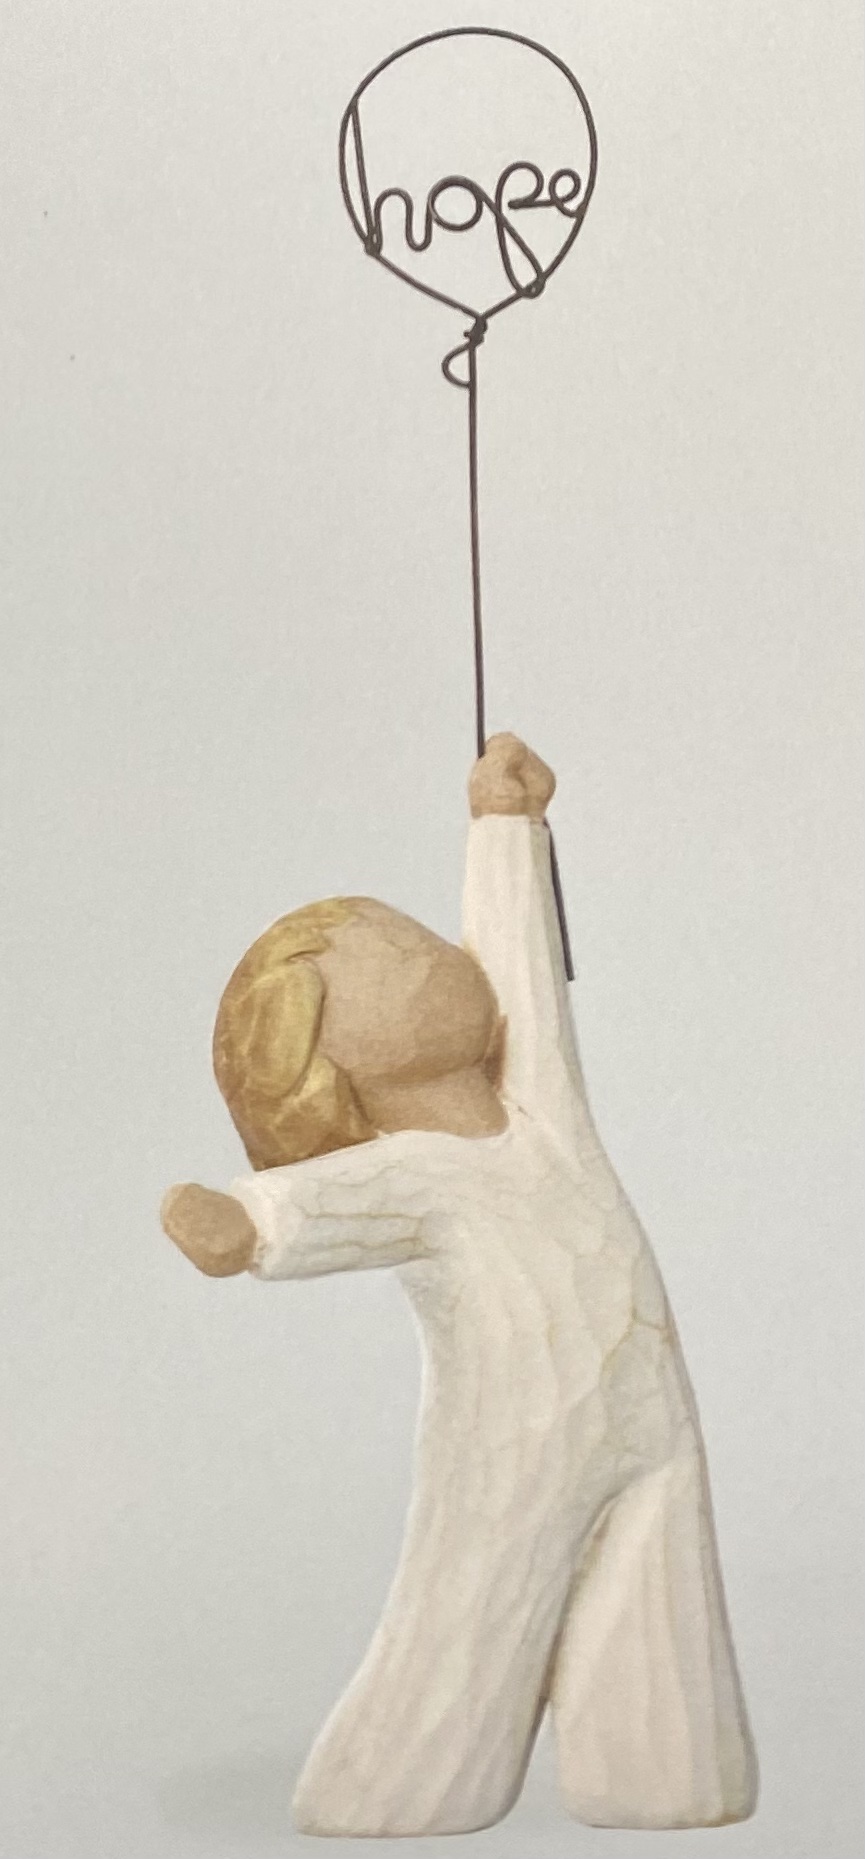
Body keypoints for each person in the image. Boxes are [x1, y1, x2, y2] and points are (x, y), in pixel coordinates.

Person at [161, 734, 757, 1837]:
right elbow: (333, 1201)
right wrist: (245, 1223)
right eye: (388, 955)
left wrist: (505, 825)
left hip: (651, 1420)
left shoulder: (539, 1112)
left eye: (411, 930)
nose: (427, 947)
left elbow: (527, 977)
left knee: (659, 1590)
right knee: (474, 1605)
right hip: (515, 1443)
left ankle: (660, 1774)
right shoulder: (421, 1173)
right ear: (334, 1064)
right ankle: (392, 1786)